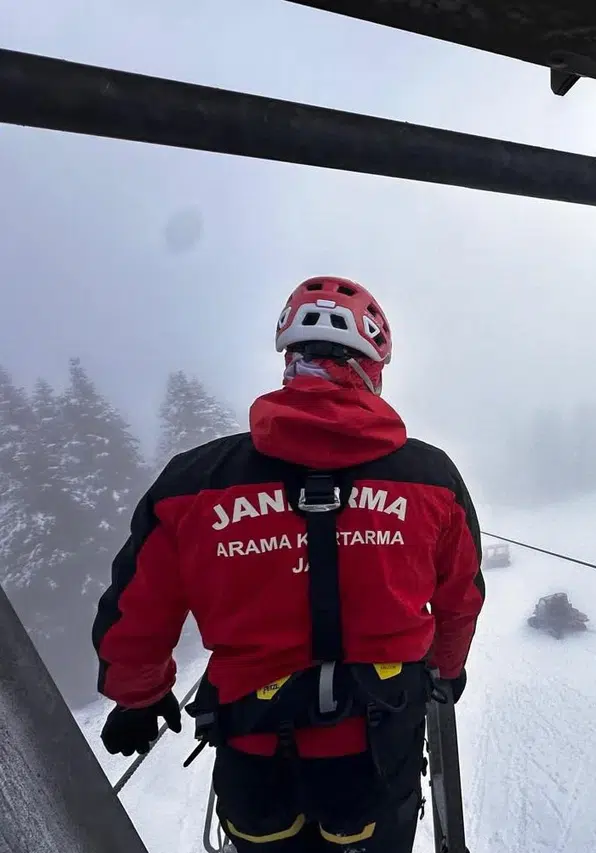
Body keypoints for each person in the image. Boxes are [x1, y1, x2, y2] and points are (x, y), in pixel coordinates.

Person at [92, 276, 485, 853]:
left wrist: (137, 695)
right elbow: (460, 599)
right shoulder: (430, 479)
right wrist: (446, 671)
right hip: (375, 752)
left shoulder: (193, 484)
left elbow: (137, 612)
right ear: (373, 367)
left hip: (254, 754)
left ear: (290, 361)